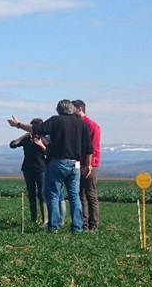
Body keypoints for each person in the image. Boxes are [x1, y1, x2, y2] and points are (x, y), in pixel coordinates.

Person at [8, 99, 93, 233]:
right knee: (75, 196)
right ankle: (77, 227)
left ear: (59, 110)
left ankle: (54, 227)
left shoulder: (56, 120)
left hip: (57, 163)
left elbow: (37, 129)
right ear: (72, 109)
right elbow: (89, 148)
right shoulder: (82, 125)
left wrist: (17, 124)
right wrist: (88, 165)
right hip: (75, 164)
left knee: (53, 195)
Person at [9, 118, 49, 226]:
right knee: (31, 193)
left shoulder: (44, 139)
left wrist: (40, 143)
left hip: (41, 168)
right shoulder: (26, 140)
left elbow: (49, 152)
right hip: (28, 168)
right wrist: (24, 136)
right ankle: (33, 219)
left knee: (41, 193)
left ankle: (45, 219)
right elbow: (13, 144)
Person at [73, 99, 101, 232]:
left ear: (79, 109)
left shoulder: (92, 125)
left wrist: (88, 165)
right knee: (80, 195)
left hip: (90, 164)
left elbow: (93, 147)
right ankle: (82, 223)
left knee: (90, 195)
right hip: (78, 163)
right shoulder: (77, 124)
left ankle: (93, 224)